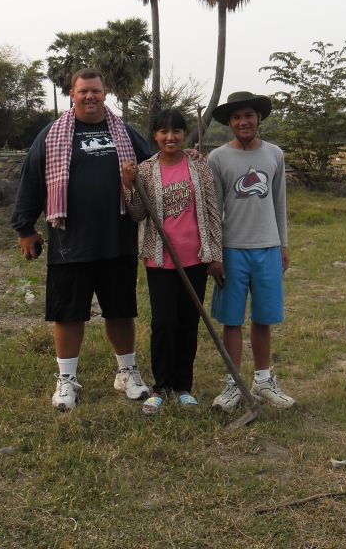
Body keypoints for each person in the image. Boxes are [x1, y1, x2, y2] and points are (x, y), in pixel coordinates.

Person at [11, 68, 151, 412]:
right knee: (68, 313)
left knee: (120, 310)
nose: (90, 96)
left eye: (96, 91)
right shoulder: (52, 134)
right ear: (72, 94)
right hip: (69, 240)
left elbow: (154, 166)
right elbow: (31, 179)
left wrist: (183, 159)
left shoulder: (124, 132)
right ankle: (66, 380)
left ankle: (127, 372)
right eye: (83, 91)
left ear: (106, 94)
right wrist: (25, 228)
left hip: (117, 238)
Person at [121, 109, 224, 416]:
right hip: (161, 259)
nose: (171, 137)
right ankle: (161, 387)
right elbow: (138, 214)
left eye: (177, 131)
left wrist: (215, 255)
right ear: (154, 135)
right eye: (164, 132)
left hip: (195, 257)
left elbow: (211, 211)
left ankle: (184, 387)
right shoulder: (145, 170)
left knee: (189, 323)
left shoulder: (198, 166)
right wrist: (128, 185)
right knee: (164, 323)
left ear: (185, 134)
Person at [207, 91, 295, 413]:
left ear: (259, 118)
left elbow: (279, 203)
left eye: (249, 116)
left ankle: (262, 380)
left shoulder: (274, 154)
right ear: (229, 122)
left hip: (268, 247)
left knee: (264, 317)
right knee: (232, 320)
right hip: (231, 249)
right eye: (236, 117)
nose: (243, 122)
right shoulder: (217, 158)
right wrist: (214, 253)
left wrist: (283, 244)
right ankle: (234, 383)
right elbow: (213, 210)